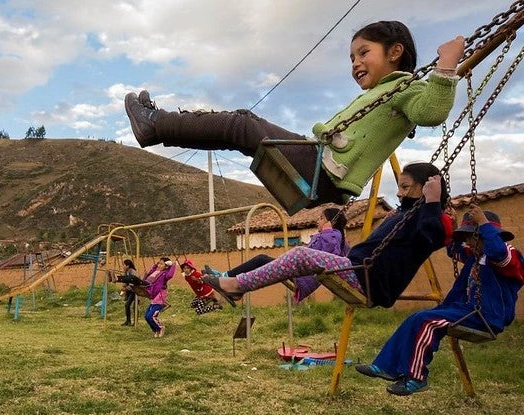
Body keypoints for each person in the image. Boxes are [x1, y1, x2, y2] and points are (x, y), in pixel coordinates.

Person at [124, 21, 464, 207]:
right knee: (238, 133)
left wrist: (447, 64)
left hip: (325, 171)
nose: (356, 63)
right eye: (351, 58)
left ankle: (155, 124)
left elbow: (432, 111)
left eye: (363, 53)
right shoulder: (383, 92)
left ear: (395, 52)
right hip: (319, 165)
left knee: (243, 124)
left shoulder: (407, 88)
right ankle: (157, 130)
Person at [202, 162, 453, 308]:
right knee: (292, 257)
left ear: (429, 188)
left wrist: (433, 202)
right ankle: (236, 284)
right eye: (398, 187)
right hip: (360, 271)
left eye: (405, 187)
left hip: (368, 279)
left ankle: (237, 284)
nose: (399, 194)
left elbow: (433, 237)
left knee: (301, 255)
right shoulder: (407, 215)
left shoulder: (432, 218)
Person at [356, 206, 523, 396]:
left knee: (428, 323)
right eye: (467, 238)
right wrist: (453, 225)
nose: (469, 242)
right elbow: (454, 251)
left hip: (487, 316)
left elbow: (498, 253)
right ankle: (385, 366)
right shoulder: (476, 255)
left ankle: (417, 378)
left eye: (472, 237)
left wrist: (483, 223)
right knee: (415, 318)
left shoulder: (509, 254)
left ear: (487, 234)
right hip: (464, 310)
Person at [206, 206, 350, 303]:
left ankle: (227, 278)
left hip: (304, 276)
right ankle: (230, 281)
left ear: (330, 223)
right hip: (303, 273)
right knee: (262, 260)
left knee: (261, 259)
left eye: (321, 219)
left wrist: (327, 230)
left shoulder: (332, 237)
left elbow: (330, 252)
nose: (317, 221)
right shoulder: (334, 236)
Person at [143, 258, 176, 337]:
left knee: (151, 316)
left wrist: (173, 266)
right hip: (153, 297)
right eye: (159, 263)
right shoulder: (156, 272)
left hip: (160, 297)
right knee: (146, 316)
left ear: (166, 266)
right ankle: (156, 330)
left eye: (161, 264)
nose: (159, 265)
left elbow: (170, 275)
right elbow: (149, 275)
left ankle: (160, 328)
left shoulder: (164, 274)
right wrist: (155, 266)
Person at [120, 259, 138, 326]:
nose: (123, 266)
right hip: (129, 291)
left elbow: (133, 283)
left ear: (128, 265)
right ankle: (128, 321)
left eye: (124, 265)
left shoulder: (133, 272)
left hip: (134, 291)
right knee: (127, 305)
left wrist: (126, 288)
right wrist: (123, 287)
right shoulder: (126, 272)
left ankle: (135, 322)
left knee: (132, 306)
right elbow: (125, 281)